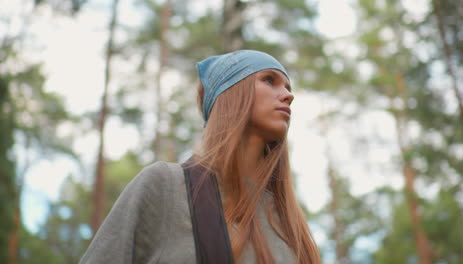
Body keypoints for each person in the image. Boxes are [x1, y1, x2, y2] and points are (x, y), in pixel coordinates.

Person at [79, 50, 321, 264]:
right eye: (269, 80)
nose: (288, 95)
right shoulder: (166, 186)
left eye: (288, 88)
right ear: (231, 93)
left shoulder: (287, 220)